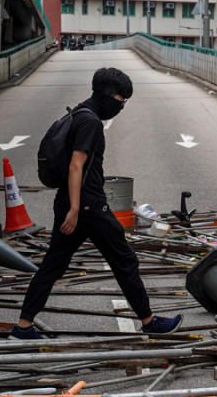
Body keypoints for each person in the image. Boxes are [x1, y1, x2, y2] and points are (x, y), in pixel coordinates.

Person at [12, 68, 183, 339]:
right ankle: (150, 322)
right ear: (107, 95)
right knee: (125, 261)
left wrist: (70, 206)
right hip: (88, 207)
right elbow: (76, 165)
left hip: (72, 204)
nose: (122, 105)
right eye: (120, 98)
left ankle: (23, 326)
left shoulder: (78, 113)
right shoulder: (90, 122)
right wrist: (76, 209)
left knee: (53, 265)